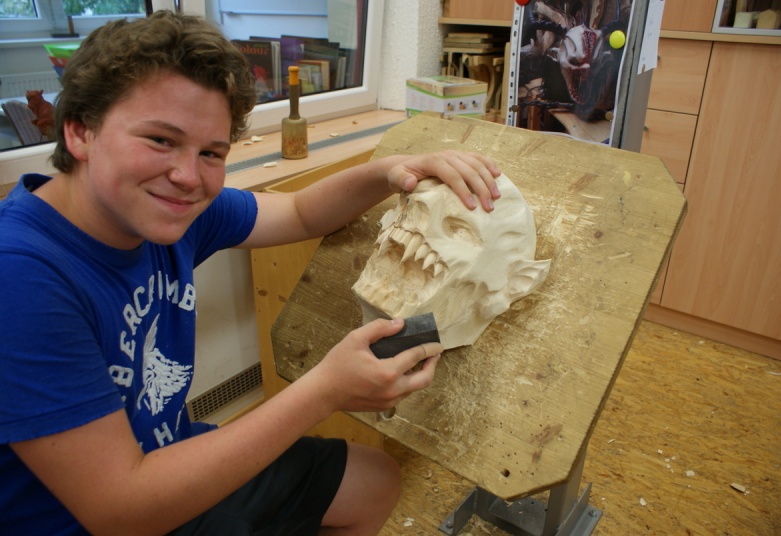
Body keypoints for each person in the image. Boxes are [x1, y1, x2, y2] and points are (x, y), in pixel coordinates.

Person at [0, 11, 502, 536]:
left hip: (161, 457)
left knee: (370, 481)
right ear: (80, 132)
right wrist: (323, 392)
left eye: (210, 152)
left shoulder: (168, 210)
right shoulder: (22, 277)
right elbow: (119, 511)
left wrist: (391, 170)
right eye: (160, 140)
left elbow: (300, 213)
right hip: (103, 515)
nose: (187, 176)